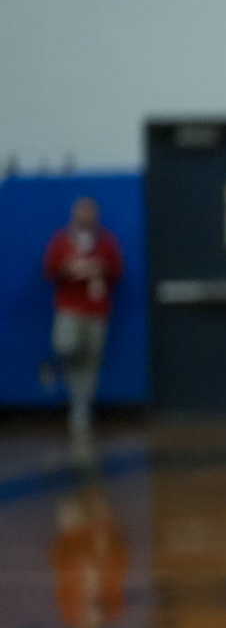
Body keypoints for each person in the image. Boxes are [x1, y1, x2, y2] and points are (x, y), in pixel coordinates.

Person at [42, 197, 124, 463]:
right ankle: (60, 373)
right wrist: (69, 268)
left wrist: (98, 268)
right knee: (66, 345)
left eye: (90, 212)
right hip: (69, 307)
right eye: (81, 212)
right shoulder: (61, 240)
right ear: (74, 215)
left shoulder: (106, 242)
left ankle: (81, 408)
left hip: (97, 310)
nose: (86, 217)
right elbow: (50, 269)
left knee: (91, 360)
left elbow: (117, 270)